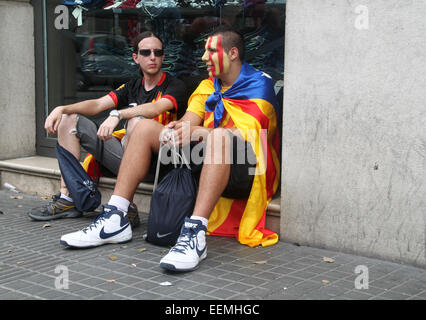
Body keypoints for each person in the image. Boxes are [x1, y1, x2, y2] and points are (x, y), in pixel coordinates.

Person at [59, 26, 281, 273]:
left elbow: (253, 137)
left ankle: (195, 232)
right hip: (204, 161)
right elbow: (190, 120)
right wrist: (179, 129)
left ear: (232, 53)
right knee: (143, 128)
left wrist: (199, 133)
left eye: (210, 51)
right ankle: (116, 217)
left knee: (219, 137)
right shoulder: (208, 86)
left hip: (247, 168)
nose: (203, 58)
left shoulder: (260, 84)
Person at [27, 31, 187, 228]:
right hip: (126, 158)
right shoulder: (132, 86)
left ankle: (125, 205)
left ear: (163, 56)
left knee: (137, 122)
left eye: (157, 52)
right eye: (146, 52)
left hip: (157, 163)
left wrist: (118, 115)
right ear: (136, 58)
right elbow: (97, 105)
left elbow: (155, 108)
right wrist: (61, 109)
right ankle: (67, 198)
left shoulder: (175, 85)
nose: (152, 57)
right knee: (69, 119)